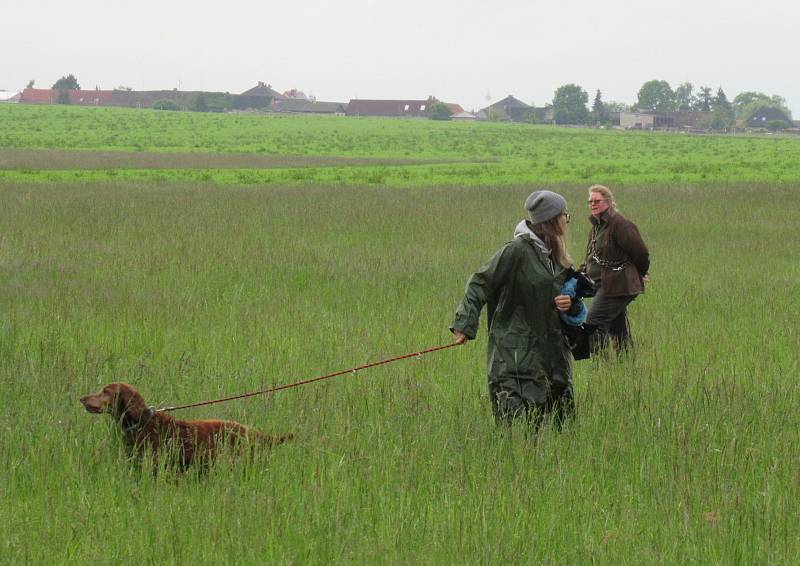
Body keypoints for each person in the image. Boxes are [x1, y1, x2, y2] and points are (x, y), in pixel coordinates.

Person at [450, 190, 580, 428]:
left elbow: (568, 302)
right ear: (552, 219)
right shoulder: (517, 250)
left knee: (562, 431)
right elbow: (480, 282)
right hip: (516, 358)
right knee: (519, 433)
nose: (567, 221)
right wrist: (464, 326)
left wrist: (570, 304)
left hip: (553, 358)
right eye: (565, 215)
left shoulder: (556, 256)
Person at [581, 184, 650, 355]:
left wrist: (640, 273)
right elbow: (591, 255)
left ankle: (600, 368)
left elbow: (641, 253)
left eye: (597, 201)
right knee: (617, 327)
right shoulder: (597, 226)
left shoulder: (621, 224)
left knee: (594, 322)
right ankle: (625, 366)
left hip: (618, 284)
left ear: (609, 202)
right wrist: (580, 273)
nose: (592, 204)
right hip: (602, 283)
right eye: (590, 201)